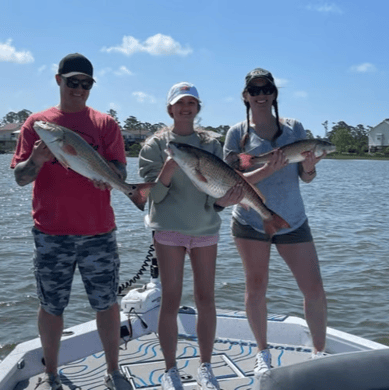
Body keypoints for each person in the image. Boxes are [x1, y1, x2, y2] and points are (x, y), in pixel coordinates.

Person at [10, 53, 132, 390]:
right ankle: (51, 374)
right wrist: (36, 158)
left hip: (99, 232)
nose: (78, 89)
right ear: (58, 80)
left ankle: (113, 372)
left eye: (85, 83)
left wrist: (110, 178)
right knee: (51, 306)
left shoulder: (105, 124)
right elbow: (20, 178)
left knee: (106, 304)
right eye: (72, 81)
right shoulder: (37, 123)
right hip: (51, 234)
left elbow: (119, 169)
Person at [223, 68, 328, 381]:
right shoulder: (236, 134)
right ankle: (262, 354)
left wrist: (309, 167)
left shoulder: (294, 128)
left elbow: (305, 178)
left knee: (315, 290)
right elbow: (233, 183)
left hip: (293, 220)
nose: (260, 94)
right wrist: (267, 168)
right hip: (250, 220)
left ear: (274, 92)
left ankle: (319, 354)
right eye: (254, 90)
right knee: (256, 287)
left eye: (266, 88)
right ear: (245, 96)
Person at [138, 82, 243, 390]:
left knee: (205, 299)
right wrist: (171, 164)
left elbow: (217, 195)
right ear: (169, 108)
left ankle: (206, 368)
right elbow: (153, 196)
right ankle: (171, 371)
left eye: (191, 103)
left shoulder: (211, 144)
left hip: (205, 230)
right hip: (168, 231)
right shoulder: (154, 146)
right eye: (179, 103)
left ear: (198, 108)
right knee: (170, 300)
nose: (185, 108)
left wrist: (227, 200)